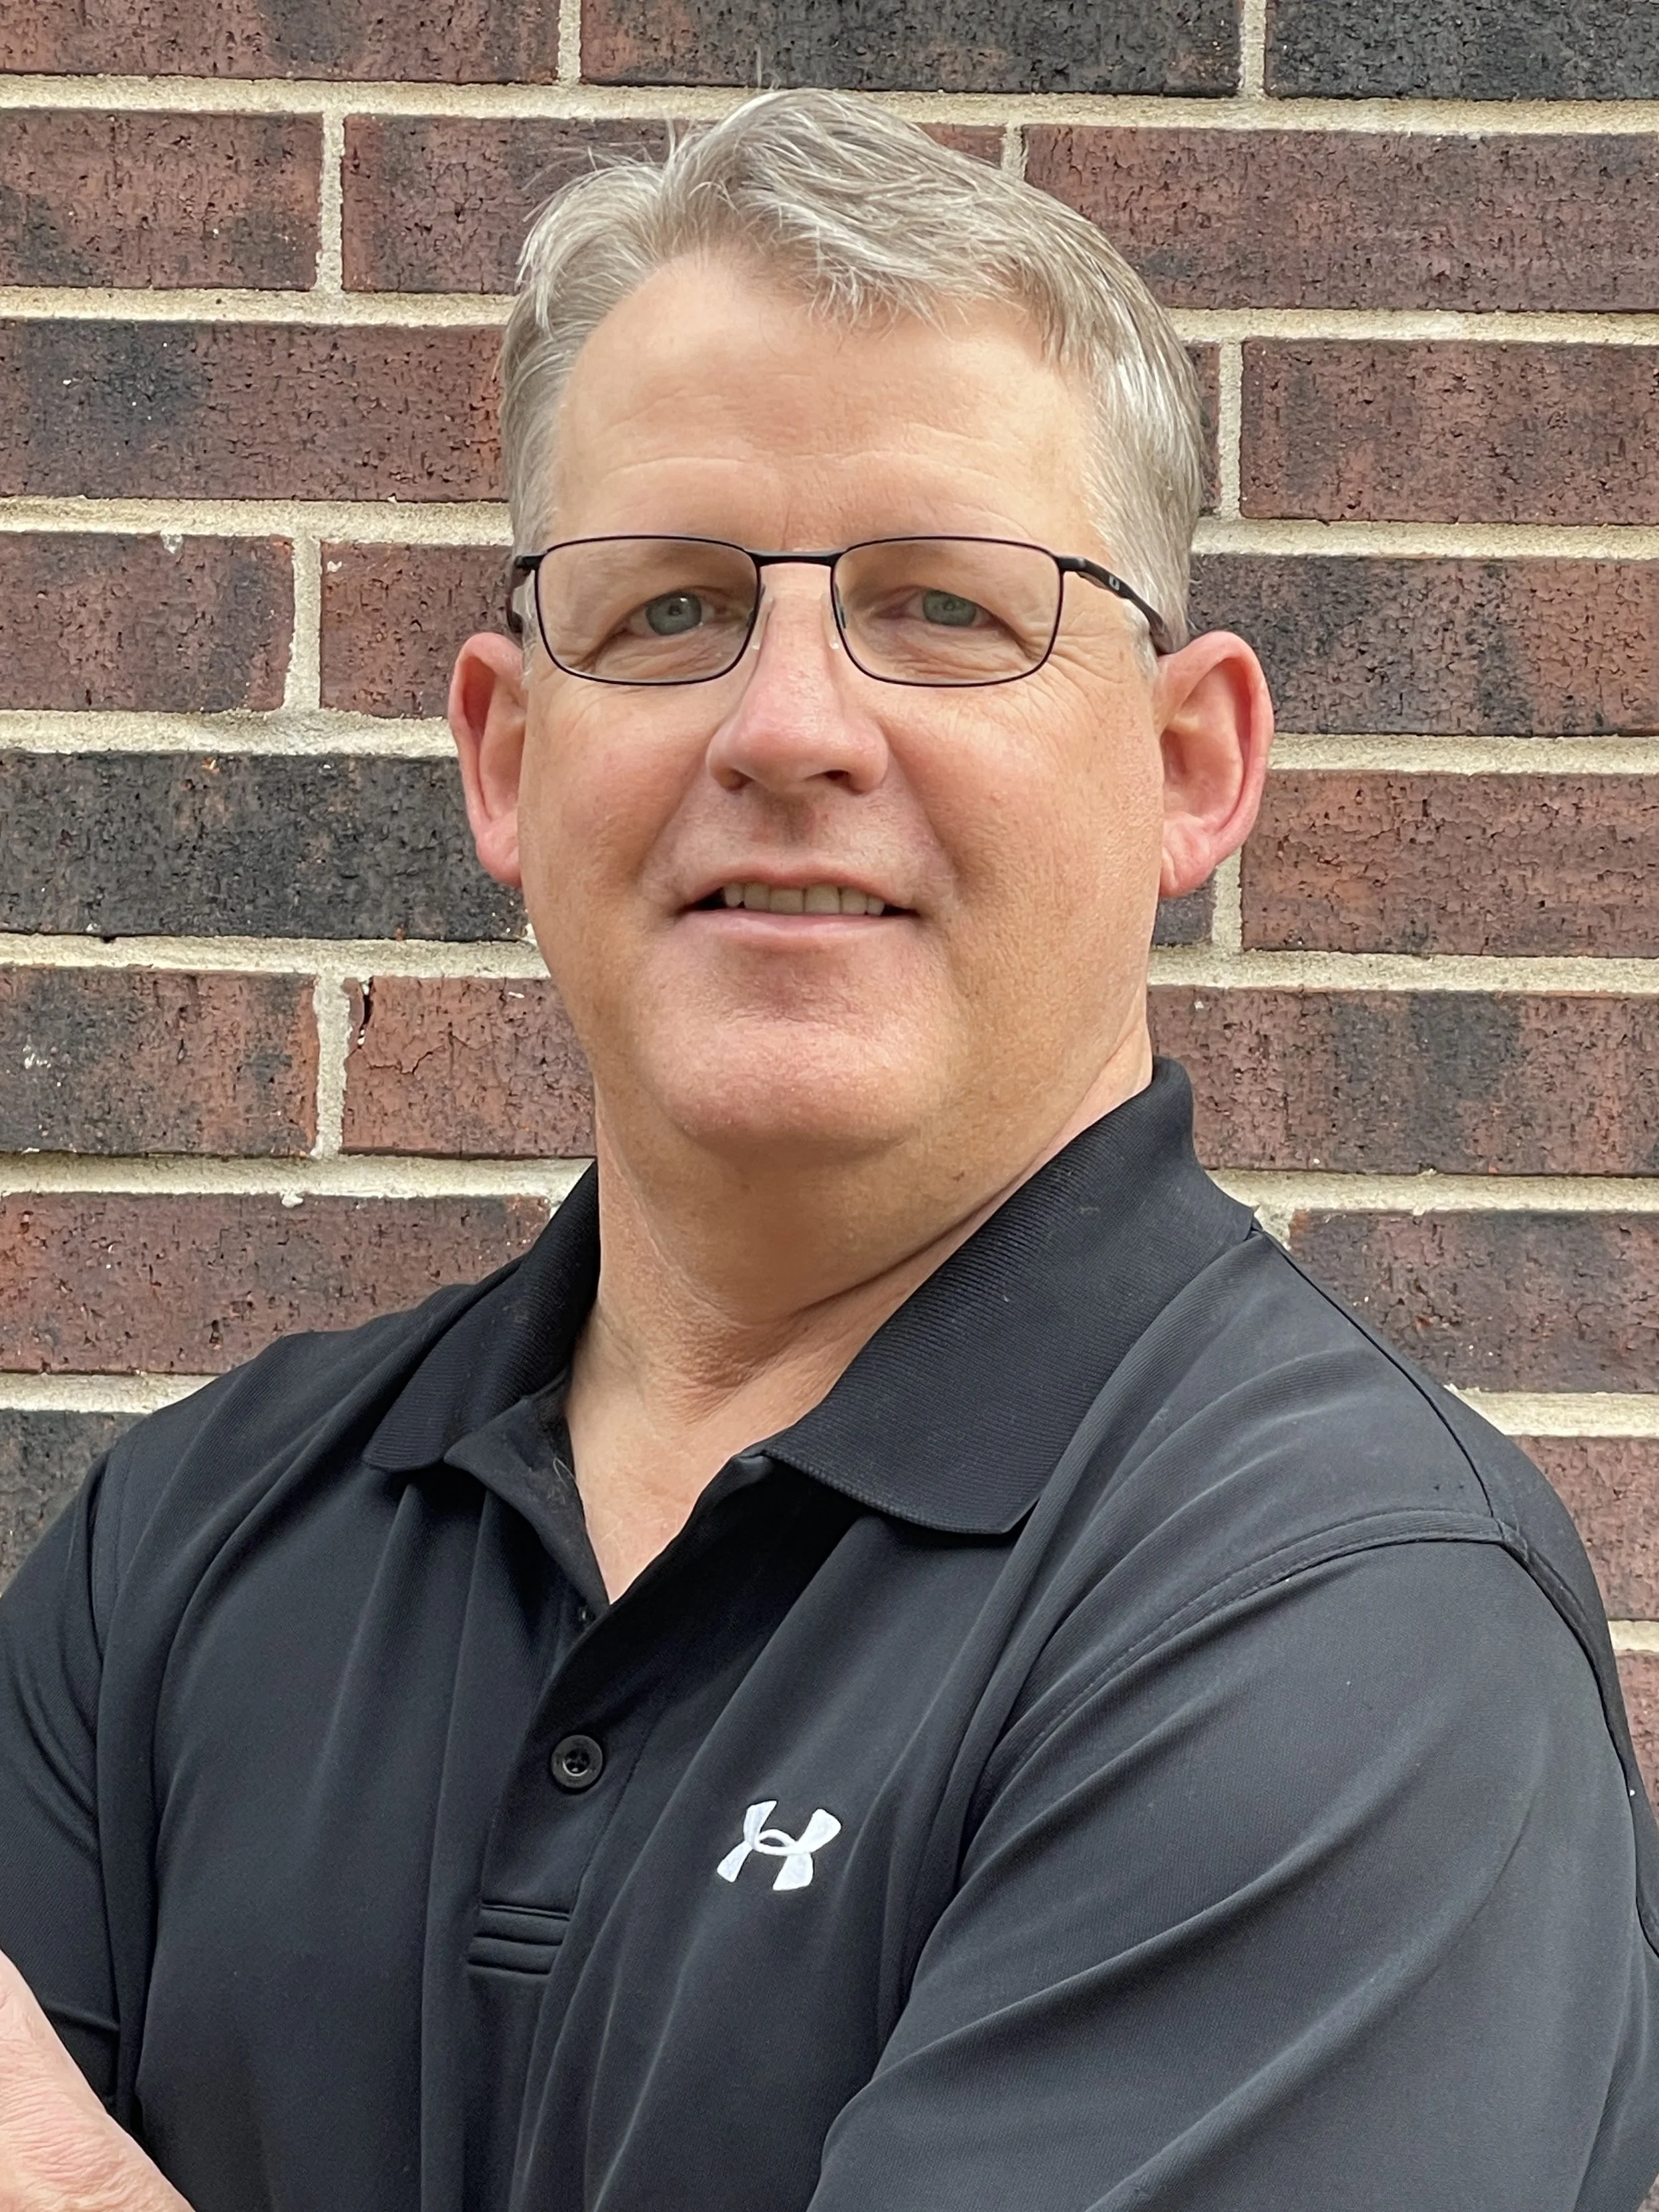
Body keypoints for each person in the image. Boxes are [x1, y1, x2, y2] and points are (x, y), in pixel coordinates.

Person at [1, 88, 1655, 2212]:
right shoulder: (193, 1536)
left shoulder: (1339, 1623)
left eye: (946, 606)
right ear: (509, 757)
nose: (784, 725)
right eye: (671, 607)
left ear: (1187, 768)